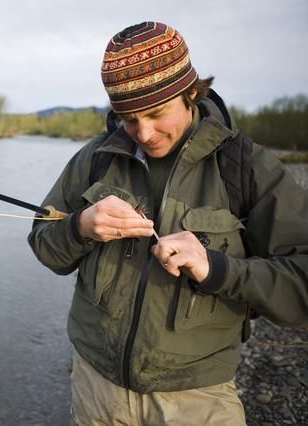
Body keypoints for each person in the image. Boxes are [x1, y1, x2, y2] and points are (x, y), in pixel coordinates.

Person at [28, 21, 308, 425]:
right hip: (95, 386)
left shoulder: (245, 167)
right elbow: (42, 242)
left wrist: (217, 269)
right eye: (127, 118)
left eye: (156, 113)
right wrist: (79, 228)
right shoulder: (96, 158)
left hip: (197, 397)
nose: (144, 132)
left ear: (190, 92)